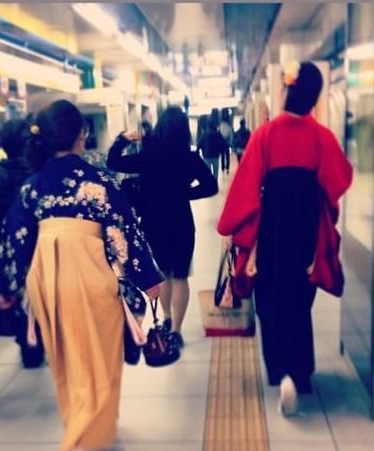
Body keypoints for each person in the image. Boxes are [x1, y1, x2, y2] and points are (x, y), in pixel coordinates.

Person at [0, 100, 163, 451]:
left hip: (47, 280)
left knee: (68, 360)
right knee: (101, 359)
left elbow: (15, 238)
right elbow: (123, 234)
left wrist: (5, 284)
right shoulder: (99, 183)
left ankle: (80, 428)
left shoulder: (32, 187)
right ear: (82, 136)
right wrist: (146, 278)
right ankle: (80, 442)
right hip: (91, 274)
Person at [217, 62, 353, 416]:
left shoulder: (266, 134)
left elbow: (246, 188)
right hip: (306, 233)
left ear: (287, 92)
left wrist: (233, 229)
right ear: (314, 97)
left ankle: (281, 372)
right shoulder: (321, 137)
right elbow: (340, 178)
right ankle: (300, 373)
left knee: (269, 300)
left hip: (270, 232)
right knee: (298, 302)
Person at [107, 106, 219, 346]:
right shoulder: (189, 158)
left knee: (164, 273)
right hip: (181, 222)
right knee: (181, 276)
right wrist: (185, 193)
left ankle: (167, 318)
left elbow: (113, 161)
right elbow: (211, 186)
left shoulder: (148, 156)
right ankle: (177, 330)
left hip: (154, 223)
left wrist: (122, 139)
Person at [0, 119, 45, 369]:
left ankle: (29, 346)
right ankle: (44, 338)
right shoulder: (37, 172)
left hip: (8, 241)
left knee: (20, 293)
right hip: (39, 239)